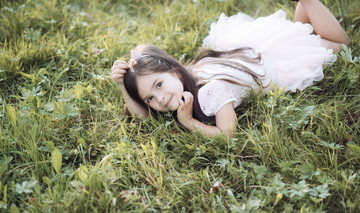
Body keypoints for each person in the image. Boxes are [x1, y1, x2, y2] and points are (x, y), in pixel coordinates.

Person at [111, 0, 349, 138]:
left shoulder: (212, 90)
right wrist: (123, 84)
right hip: (247, 54)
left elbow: (227, 134)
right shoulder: (186, 79)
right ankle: (302, 21)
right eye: (150, 97)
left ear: (174, 71)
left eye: (159, 85)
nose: (160, 99)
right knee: (299, 30)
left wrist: (188, 121)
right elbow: (142, 117)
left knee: (340, 45)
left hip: (274, 63)